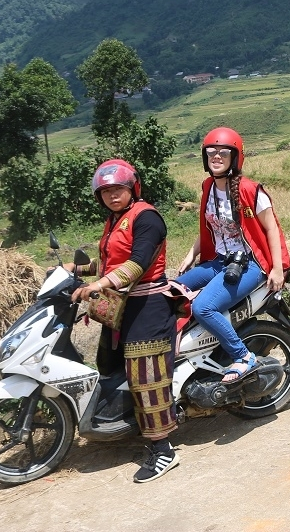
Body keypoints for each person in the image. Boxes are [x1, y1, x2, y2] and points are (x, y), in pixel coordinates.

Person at [69, 159, 179, 483]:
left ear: (132, 188)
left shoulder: (146, 218)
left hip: (149, 305)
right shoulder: (115, 220)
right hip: (121, 306)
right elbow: (107, 262)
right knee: (108, 364)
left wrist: (98, 286)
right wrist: (70, 271)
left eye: (118, 188)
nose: (112, 195)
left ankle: (163, 450)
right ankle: (134, 423)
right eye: (105, 191)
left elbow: (137, 264)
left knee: (143, 376)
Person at [174, 128, 288, 385]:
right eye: (210, 152)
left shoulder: (250, 190)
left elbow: (272, 228)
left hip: (250, 264)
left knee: (204, 307)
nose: (216, 156)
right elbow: (209, 226)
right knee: (172, 290)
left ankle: (242, 355)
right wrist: (192, 254)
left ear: (235, 157)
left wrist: (277, 268)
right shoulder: (208, 187)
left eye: (223, 152)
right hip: (219, 260)